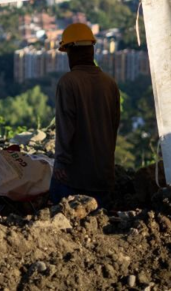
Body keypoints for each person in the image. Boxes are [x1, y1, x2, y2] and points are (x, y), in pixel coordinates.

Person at [51, 22, 120, 207]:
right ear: (92, 51)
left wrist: (61, 163)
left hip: (75, 178)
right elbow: (113, 129)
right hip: (103, 177)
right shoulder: (110, 83)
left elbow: (66, 127)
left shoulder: (68, 83)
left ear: (71, 52)